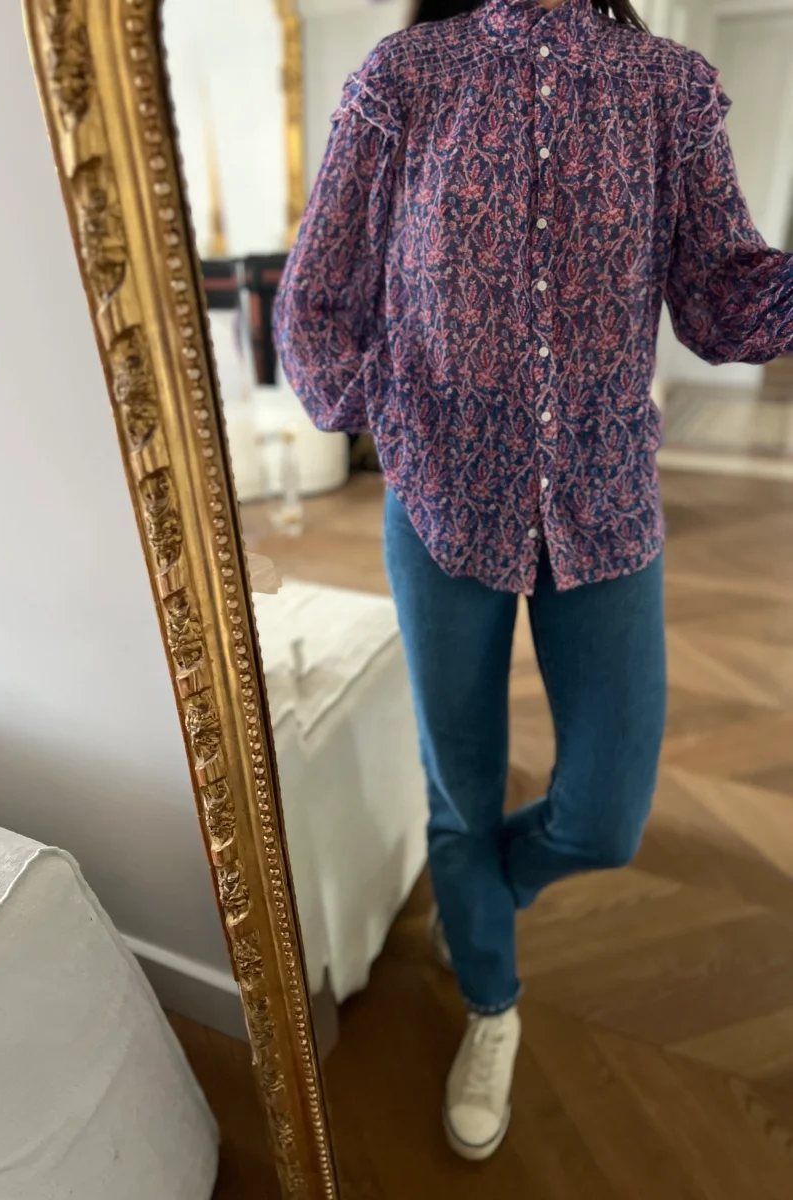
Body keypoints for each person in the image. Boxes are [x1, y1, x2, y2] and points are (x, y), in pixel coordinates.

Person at [274, 0, 793, 1163]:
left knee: (607, 815)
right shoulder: (405, 80)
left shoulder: (666, 89)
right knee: (456, 788)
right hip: (441, 501)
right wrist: (382, 412)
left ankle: (477, 898)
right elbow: (316, 299)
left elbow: (722, 301)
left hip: (605, 505)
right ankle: (490, 997)